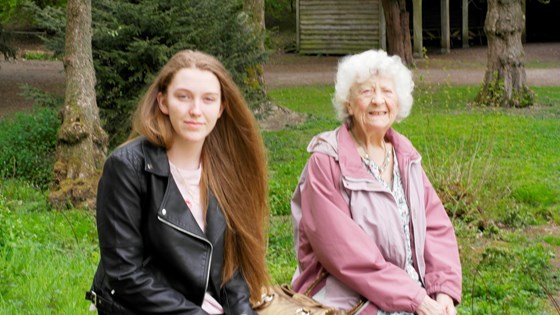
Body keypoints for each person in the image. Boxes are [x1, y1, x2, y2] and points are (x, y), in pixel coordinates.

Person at [86, 50, 269, 314]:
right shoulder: (127, 167)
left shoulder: (225, 171)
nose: (195, 110)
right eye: (183, 97)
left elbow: (231, 271)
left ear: (220, 109)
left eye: (208, 99)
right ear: (162, 102)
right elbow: (125, 274)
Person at [290, 50, 462, 315]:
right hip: (347, 299)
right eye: (367, 92)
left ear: (399, 101)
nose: (378, 100)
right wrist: (416, 299)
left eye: (387, 92)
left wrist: (443, 290)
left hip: (410, 295)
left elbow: (436, 227)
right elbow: (345, 254)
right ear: (348, 103)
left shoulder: (405, 156)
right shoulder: (326, 162)